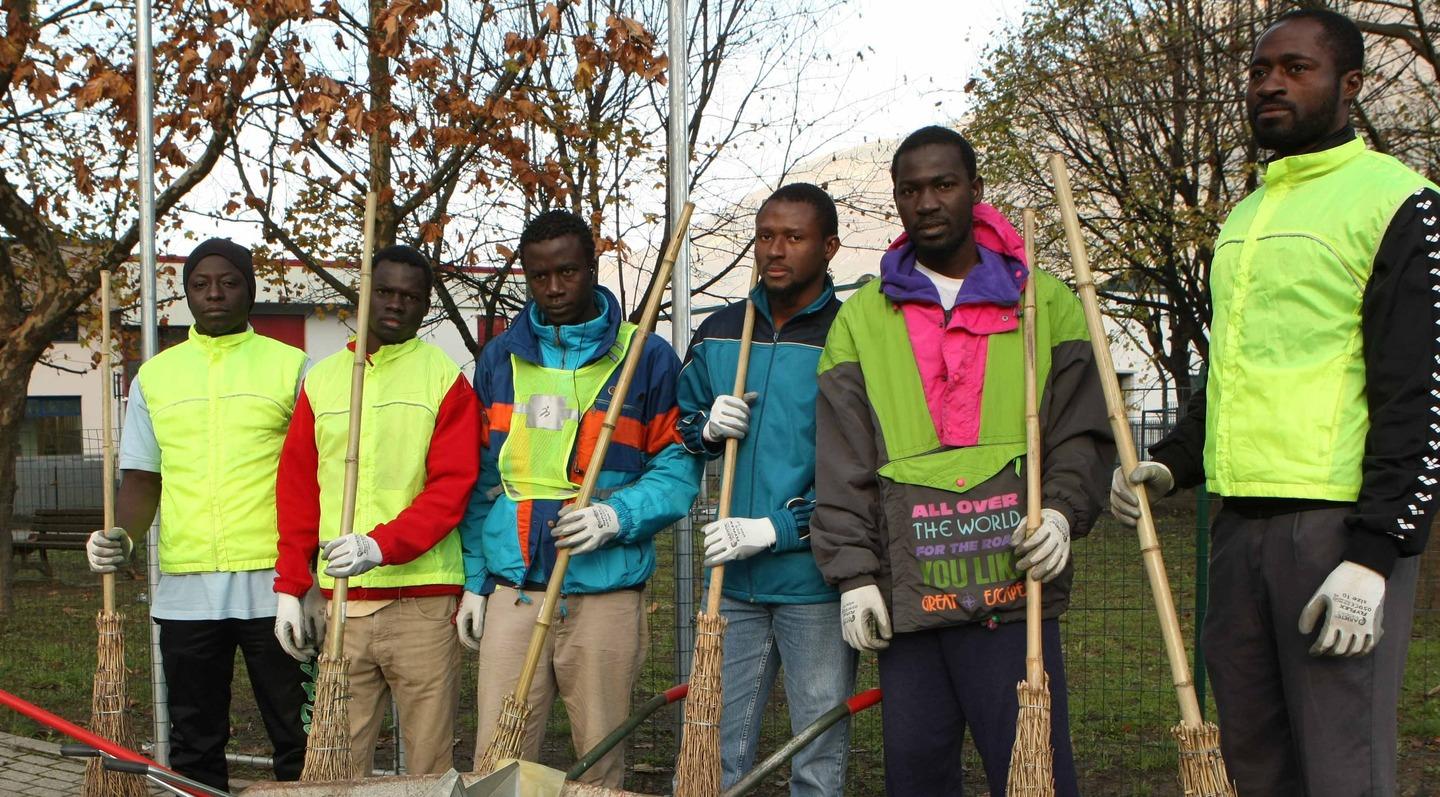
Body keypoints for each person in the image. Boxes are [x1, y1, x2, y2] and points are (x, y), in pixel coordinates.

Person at [1111, 10, 1440, 794]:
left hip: (1336, 531)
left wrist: (1376, 552)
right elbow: (1233, 369)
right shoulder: (1246, 218)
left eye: (1297, 69)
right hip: (1238, 532)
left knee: (1341, 769)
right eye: (1261, 71)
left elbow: (1418, 391)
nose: (1271, 84)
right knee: (1253, 765)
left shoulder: (1400, 201)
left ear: (1350, 85)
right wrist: (1173, 463)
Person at [809, 126, 1113, 797]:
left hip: (1014, 593)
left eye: (943, 184)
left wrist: (1061, 513)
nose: (927, 201)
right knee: (916, 774)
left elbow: (1081, 434)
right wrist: (854, 573)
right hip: (911, 596)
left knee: (1036, 772)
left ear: (975, 190)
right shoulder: (861, 320)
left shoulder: (1046, 303)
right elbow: (842, 459)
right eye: (910, 190)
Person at [457, 209, 697, 788]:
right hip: (515, 590)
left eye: (567, 272)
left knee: (599, 759)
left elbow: (677, 466)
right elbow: (483, 478)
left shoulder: (645, 356)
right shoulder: (500, 358)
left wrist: (616, 516)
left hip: (605, 595)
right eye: (538, 276)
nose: (554, 289)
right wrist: (474, 580)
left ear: (593, 268)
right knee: (499, 758)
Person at [84, 238, 311, 791]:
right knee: (194, 736)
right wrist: (123, 537)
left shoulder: (293, 367)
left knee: (295, 733)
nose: (215, 293)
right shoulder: (155, 377)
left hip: (275, 584)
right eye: (201, 284)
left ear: (251, 288)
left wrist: (308, 575)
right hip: (187, 589)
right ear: (185, 293)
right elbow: (141, 478)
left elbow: (314, 474)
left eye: (229, 281)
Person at [675, 183, 856, 795]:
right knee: (714, 747)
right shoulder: (723, 329)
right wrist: (705, 426)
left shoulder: (852, 336)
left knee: (816, 753)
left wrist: (775, 529)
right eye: (765, 236)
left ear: (829, 246)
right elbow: (681, 426)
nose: (775, 251)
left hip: (817, 580)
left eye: (794, 237)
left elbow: (863, 466)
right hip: (732, 585)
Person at [272, 244, 479, 778]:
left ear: (426, 304)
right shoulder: (322, 380)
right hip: (343, 606)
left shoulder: (445, 378)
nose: (395, 304)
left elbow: (451, 489)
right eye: (384, 291)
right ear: (364, 292)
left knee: (429, 764)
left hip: (424, 602)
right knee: (338, 761)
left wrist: (380, 545)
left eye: (409, 297)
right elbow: (298, 491)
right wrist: (293, 587)